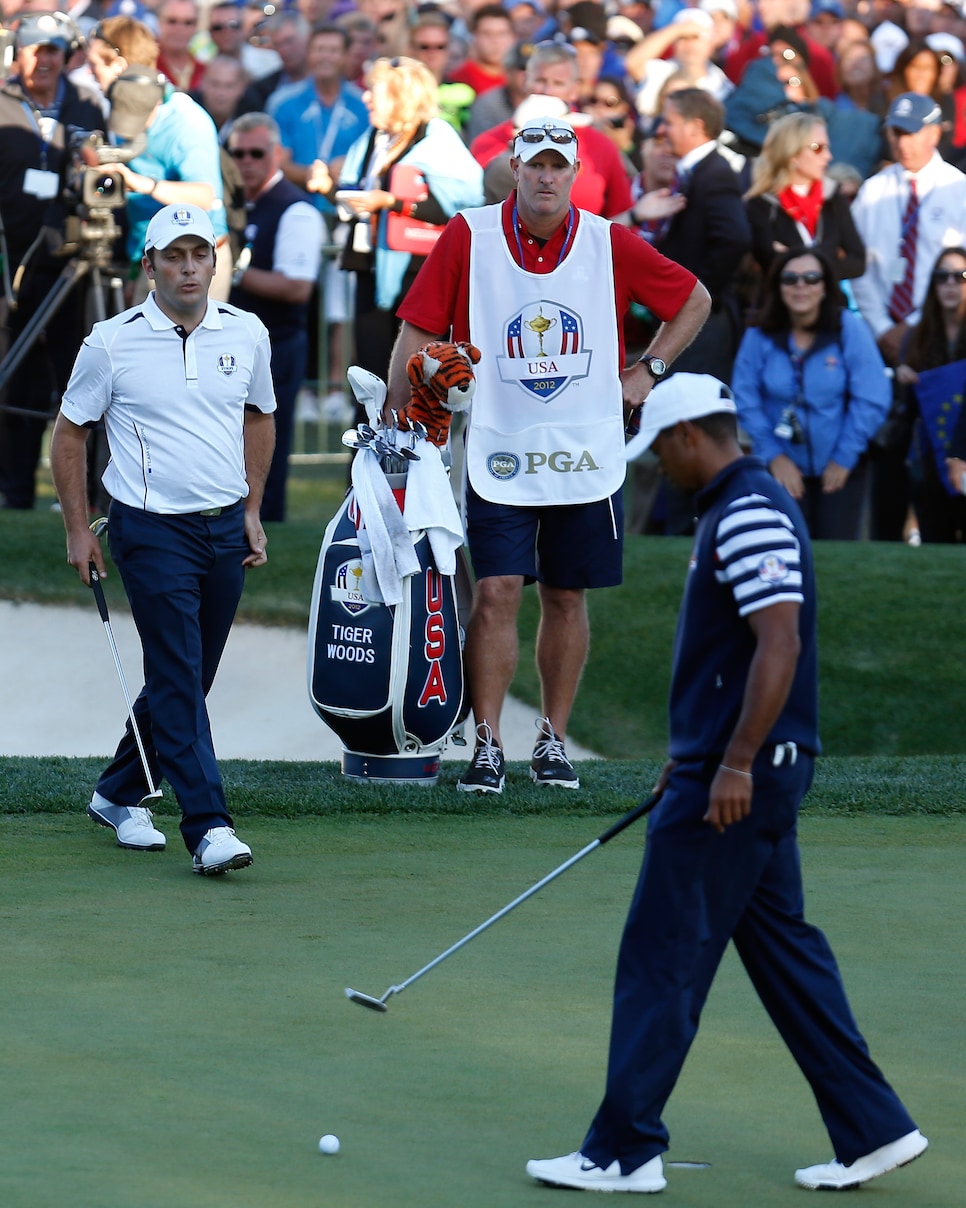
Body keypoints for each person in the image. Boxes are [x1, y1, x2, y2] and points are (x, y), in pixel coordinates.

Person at [526, 372, 929, 1195]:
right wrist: (706, 745)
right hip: (738, 767)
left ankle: (624, 1149)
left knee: (662, 955)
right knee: (785, 953)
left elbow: (778, 644)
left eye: (660, 453)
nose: (659, 470)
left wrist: (734, 760)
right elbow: (739, 657)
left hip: (740, 781)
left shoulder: (745, 510)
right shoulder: (744, 505)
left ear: (686, 437)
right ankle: (874, 1130)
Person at [386, 115, 710, 793]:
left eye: (558, 164)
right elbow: (416, 334)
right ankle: (488, 743)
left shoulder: (607, 241)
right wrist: (405, 421)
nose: (545, 175)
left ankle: (553, 740)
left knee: (566, 595)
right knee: (499, 591)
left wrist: (648, 369)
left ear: (574, 173)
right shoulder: (469, 235)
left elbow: (694, 300)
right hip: (498, 445)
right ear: (513, 164)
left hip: (586, 448)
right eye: (534, 162)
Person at [48, 203, 276, 874]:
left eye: (197, 254)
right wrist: (75, 527)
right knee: (177, 672)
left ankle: (117, 794)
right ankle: (208, 826)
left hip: (222, 525)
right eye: (172, 256)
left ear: (213, 261)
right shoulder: (111, 341)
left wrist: (253, 507)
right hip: (149, 529)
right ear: (148, 267)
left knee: (189, 677)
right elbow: (70, 432)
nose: (186, 267)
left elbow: (260, 417)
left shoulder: (248, 332)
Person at [312, 56, 485, 393]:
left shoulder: (437, 138)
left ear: (401, 96)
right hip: (370, 268)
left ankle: (417, 444)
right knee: (371, 375)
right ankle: (370, 444)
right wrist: (329, 190)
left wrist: (392, 203)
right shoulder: (372, 140)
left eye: (373, 91)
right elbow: (363, 201)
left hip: (419, 272)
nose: (365, 98)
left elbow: (464, 203)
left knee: (417, 377)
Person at [0, 11, 104, 511]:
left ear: (67, 55)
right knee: (16, 378)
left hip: (74, 266)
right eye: (35, 50)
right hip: (11, 267)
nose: (44, 60)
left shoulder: (86, 103)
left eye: (54, 51)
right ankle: (15, 491)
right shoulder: (1, 103)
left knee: (77, 380)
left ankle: (83, 496)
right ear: (17, 53)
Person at [850, 92, 966, 537]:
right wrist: (883, 327)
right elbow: (861, 269)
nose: (901, 142)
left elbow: (958, 270)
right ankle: (885, 535)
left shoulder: (958, 188)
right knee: (888, 446)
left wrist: (915, 326)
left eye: (910, 132)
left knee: (939, 436)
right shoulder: (873, 190)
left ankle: (939, 533)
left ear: (935, 132)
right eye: (895, 133)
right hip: (884, 339)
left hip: (941, 339)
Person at [732, 248, 891, 539]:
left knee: (837, 554)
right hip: (778, 464)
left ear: (825, 286)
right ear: (778, 287)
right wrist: (773, 456)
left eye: (811, 278)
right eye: (790, 279)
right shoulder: (759, 334)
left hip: (842, 467)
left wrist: (845, 456)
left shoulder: (849, 328)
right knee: (784, 547)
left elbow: (872, 395)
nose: (800, 286)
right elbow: (746, 397)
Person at [86, 16, 232, 300]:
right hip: (147, 260)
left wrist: (141, 183)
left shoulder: (185, 120)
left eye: (94, 65)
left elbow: (205, 197)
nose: (90, 74)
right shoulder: (119, 113)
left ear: (119, 65)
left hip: (192, 263)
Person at [228, 112, 323, 521]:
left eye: (256, 153)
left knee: (265, 440)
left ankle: (265, 521)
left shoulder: (295, 209)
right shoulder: (235, 201)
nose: (246, 161)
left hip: (275, 344)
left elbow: (296, 286)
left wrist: (229, 271)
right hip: (237, 344)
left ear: (278, 154)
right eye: (238, 153)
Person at [744, 112, 866, 282]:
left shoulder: (832, 196)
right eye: (818, 148)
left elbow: (858, 261)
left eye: (828, 148)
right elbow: (769, 263)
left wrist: (812, 269)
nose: (828, 156)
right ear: (792, 153)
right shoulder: (762, 204)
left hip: (829, 306)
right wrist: (829, 262)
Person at [897, 245, 966, 540]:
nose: (950, 284)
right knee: (937, 544)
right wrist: (903, 379)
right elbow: (906, 410)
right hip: (931, 458)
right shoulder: (917, 337)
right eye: (942, 276)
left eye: (960, 275)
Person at [156, 0, 205, 91]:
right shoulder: (146, 63)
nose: (180, 28)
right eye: (172, 21)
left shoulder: (204, 70)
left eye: (188, 22)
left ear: (196, 26)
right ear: (159, 22)